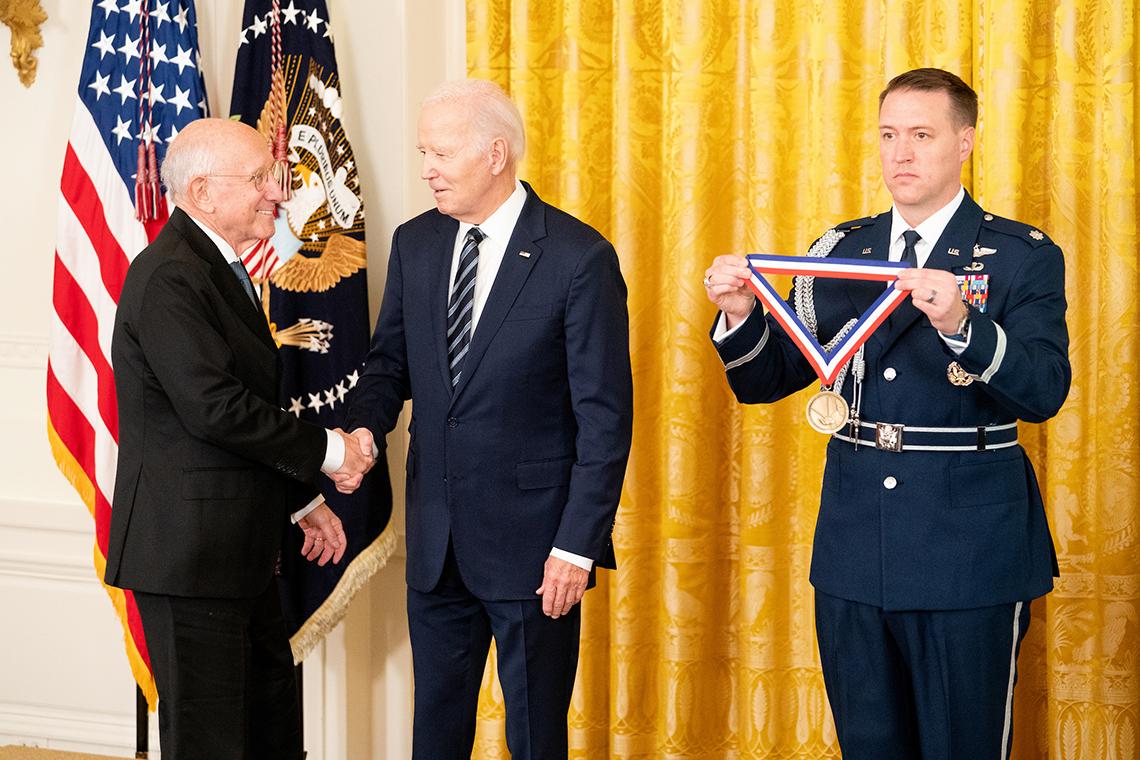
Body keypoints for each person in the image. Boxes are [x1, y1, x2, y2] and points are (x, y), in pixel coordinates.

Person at [704, 68, 1070, 759]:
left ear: (964, 143)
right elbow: (767, 381)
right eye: (889, 135)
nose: (900, 154)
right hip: (854, 548)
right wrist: (740, 315)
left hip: (969, 555)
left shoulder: (1020, 256)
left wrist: (965, 322)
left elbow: (1045, 390)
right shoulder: (838, 252)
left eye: (922, 136)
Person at [342, 79, 633, 759]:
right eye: (423, 152)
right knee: (435, 735)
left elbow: (605, 421)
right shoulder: (416, 244)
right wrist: (362, 428)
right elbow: (390, 365)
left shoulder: (577, 257)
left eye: (439, 153)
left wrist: (576, 547)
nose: (426, 170)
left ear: (496, 154)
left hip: (537, 553)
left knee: (535, 738)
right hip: (437, 543)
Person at [105, 118, 376, 760]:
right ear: (203, 192)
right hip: (189, 558)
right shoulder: (170, 275)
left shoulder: (214, 266)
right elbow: (216, 411)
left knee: (269, 737)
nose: (276, 193)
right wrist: (333, 452)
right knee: (213, 746)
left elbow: (242, 408)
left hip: (235, 553)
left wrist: (301, 501)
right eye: (258, 178)